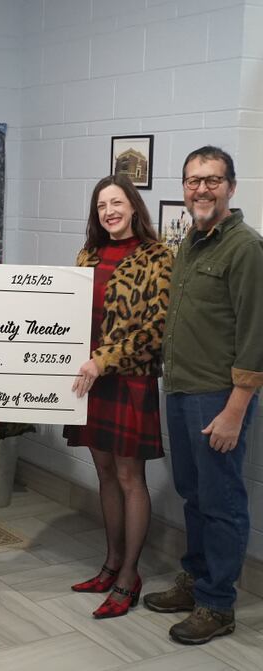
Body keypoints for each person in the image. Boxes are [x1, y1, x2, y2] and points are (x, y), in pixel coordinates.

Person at [144, 146, 263, 644]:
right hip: (180, 388)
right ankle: (195, 580)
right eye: (193, 180)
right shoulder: (191, 242)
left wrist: (235, 410)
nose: (202, 189)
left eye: (212, 180)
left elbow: (256, 336)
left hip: (217, 397)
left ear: (230, 187)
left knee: (221, 501)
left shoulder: (245, 248)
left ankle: (217, 604)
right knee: (194, 494)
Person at [63, 174, 173, 619]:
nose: (109, 211)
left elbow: (155, 331)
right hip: (91, 380)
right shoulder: (87, 255)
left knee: (130, 478)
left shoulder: (157, 256)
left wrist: (103, 360)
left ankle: (129, 576)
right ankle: (110, 564)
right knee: (105, 473)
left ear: (133, 206)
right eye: (101, 205)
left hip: (127, 379)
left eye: (117, 202)